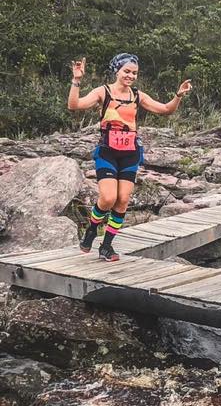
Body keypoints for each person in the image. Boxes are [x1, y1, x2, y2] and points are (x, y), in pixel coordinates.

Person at [68, 53, 192, 261]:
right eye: (126, 71)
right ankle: (91, 231)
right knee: (108, 198)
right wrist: (77, 80)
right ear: (116, 70)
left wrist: (178, 95)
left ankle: (106, 247)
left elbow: (165, 110)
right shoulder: (103, 91)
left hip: (130, 153)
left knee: (123, 200)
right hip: (107, 151)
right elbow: (74, 105)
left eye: (134, 73)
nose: (130, 76)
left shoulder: (137, 95)